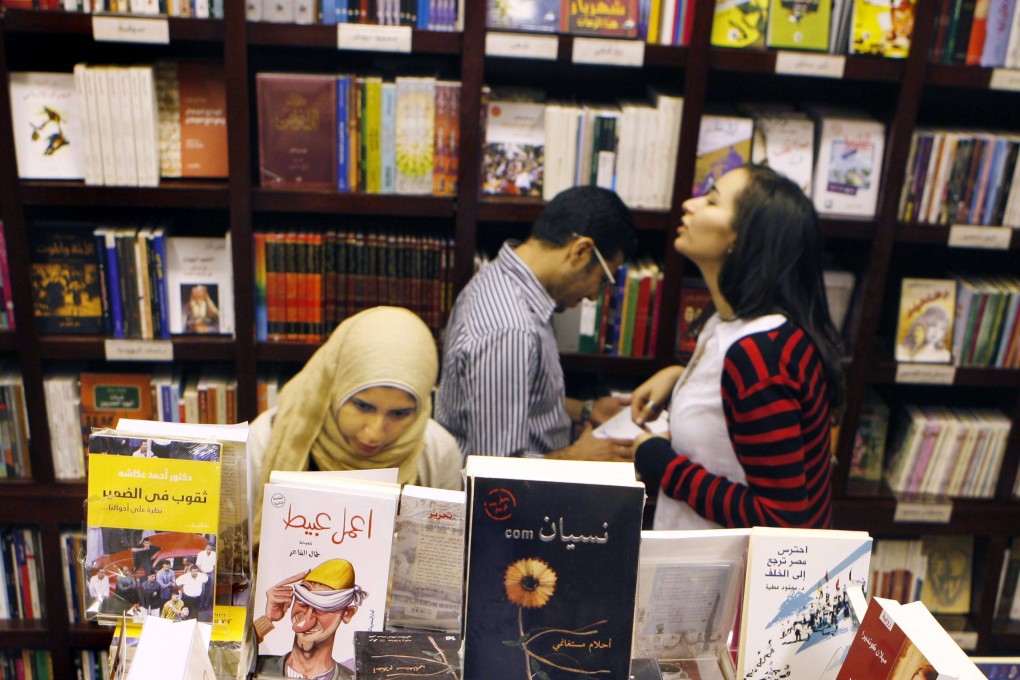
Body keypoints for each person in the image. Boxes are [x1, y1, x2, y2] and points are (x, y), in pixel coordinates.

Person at [630, 165, 845, 530]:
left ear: (742, 238)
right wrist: (681, 378)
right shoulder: (732, 325)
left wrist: (660, 463)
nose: (690, 205)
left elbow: (782, 521)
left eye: (711, 201)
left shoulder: (761, 356)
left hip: (730, 582)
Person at [436, 185, 637, 459]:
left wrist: (586, 410)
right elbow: (496, 472)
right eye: (603, 279)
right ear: (580, 251)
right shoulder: (510, 331)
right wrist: (577, 459)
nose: (593, 295)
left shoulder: (502, 279)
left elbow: (512, 400)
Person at [250, 306, 463, 546]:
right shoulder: (264, 442)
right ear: (334, 387)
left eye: (400, 413)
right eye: (363, 406)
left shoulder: (437, 452)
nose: (374, 432)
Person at [253, 559, 364, 679]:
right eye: (302, 600)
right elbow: (231, 658)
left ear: (347, 614)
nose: (307, 619)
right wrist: (267, 620)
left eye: (323, 607)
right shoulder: (257, 666)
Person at [196, 541, 216, 609]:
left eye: (210, 549)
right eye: (208, 549)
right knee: (202, 589)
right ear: (205, 548)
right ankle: (201, 604)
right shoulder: (200, 554)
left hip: (211, 572)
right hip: (203, 573)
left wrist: (213, 572)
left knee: (210, 589)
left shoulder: (214, 554)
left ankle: (206, 604)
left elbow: (214, 565)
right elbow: (198, 565)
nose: (209, 550)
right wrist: (204, 573)